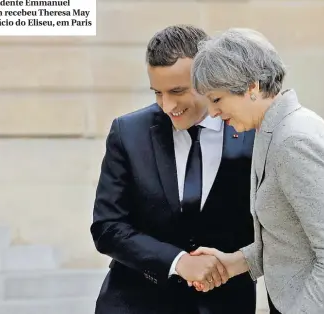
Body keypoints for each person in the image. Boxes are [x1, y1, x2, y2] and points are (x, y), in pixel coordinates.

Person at [189, 28, 324, 314]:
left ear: (252, 87)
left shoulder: (293, 141)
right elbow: (292, 238)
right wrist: (234, 263)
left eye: (217, 99)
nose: (213, 113)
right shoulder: (277, 129)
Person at [90, 25, 257, 314]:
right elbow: (107, 227)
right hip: (135, 303)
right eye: (158, 93)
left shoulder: (253, 130)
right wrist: (179, 262)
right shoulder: (128, 132)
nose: (167, 106)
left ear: (209, 76)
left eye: (177, 91)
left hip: (225, 305)